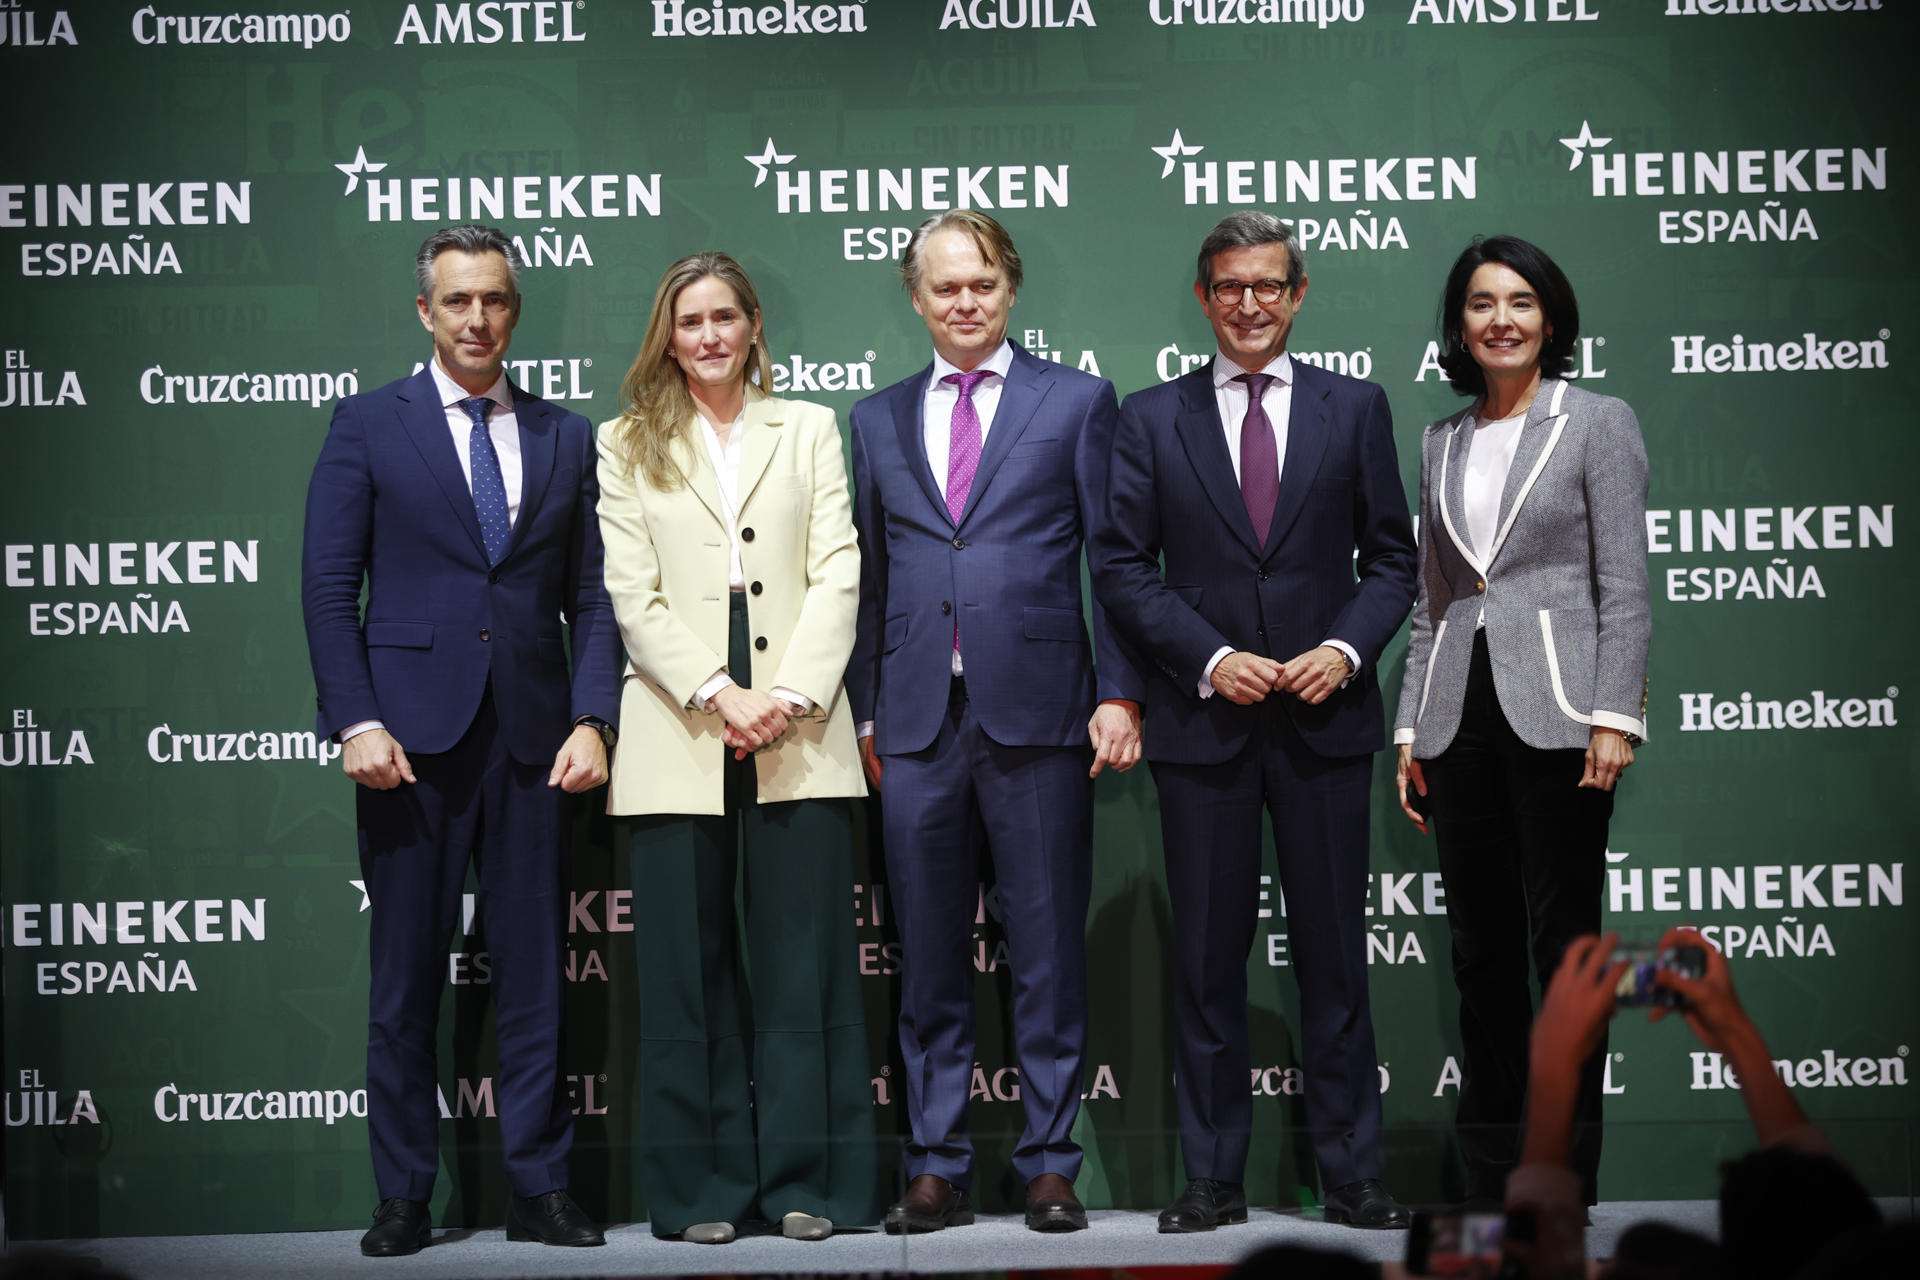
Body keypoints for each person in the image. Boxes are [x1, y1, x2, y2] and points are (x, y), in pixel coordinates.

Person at [1091, 211, 1417, 1233]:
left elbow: (1394, 560)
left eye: (1269, 285)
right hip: (1206, 728)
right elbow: (1120, 566)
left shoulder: (1355, 406)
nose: (1249, 304)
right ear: (1203, 298)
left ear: (1300, 293)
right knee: (1204, 961)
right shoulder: (1149, 417)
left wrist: (1345, 648)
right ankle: (1211, 1176)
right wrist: (1212, 657)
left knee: (1334, 954)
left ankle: (1352, 1169)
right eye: (1229, 286)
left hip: (1327, 723)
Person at [302, 224, 620, 1256]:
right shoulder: (366, 423)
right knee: (404, 979)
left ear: (514, 310)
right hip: (406, 742)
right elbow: (326, 586)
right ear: (425, 311)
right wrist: (355, 717)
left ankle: (539, 1186)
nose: (477, 318)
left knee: (536, 975)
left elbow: (593, 596)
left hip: (533, 741)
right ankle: (402, 1191)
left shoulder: (567, 434)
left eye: (495, 299)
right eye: (458, 301)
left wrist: (591, 714)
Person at [846, 209, 1145, 1234]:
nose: (964, 301)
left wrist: (1119, 688)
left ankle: (1050, 1162)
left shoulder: (1077, 401)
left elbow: (1112, 563)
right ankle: (935, 1163)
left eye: (981, 283)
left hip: (1044, 713)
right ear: (916, 298)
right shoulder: (877, 418)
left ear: (1009, 288)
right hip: (919, 721)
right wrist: (869, 710)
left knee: (1047, 949)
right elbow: (873, 581)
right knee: (927, 956)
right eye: (944, 287)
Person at [594, 252, 875, 1244]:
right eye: (690, 320)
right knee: (684, 971)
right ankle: (702, 1188)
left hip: (798, 727)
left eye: (725, 316)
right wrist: (719, 694)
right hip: (678, 727)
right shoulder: (623, 442)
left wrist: (788, 694)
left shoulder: (808, 428)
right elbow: (633, 594)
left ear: (755, 324)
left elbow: (837, 569)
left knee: (807, 969)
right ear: (666, 336)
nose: (709, 334)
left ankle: (817, 1185)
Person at [1392, 235, 1650, 1208]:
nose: (1502, 317)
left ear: (1551, 317)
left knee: (1567, 954)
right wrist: (1412, 729)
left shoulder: (1597, 422)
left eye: (1522, 302)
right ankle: (1494, 1173)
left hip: (1564, 718)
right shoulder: (1439, 440)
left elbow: (1623, 584)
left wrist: (1614, 714)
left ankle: (1564, 1178)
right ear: (1459, 326)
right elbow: (1434, 599)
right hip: (1459, 721)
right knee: (1480, 953)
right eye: (1481, 303)